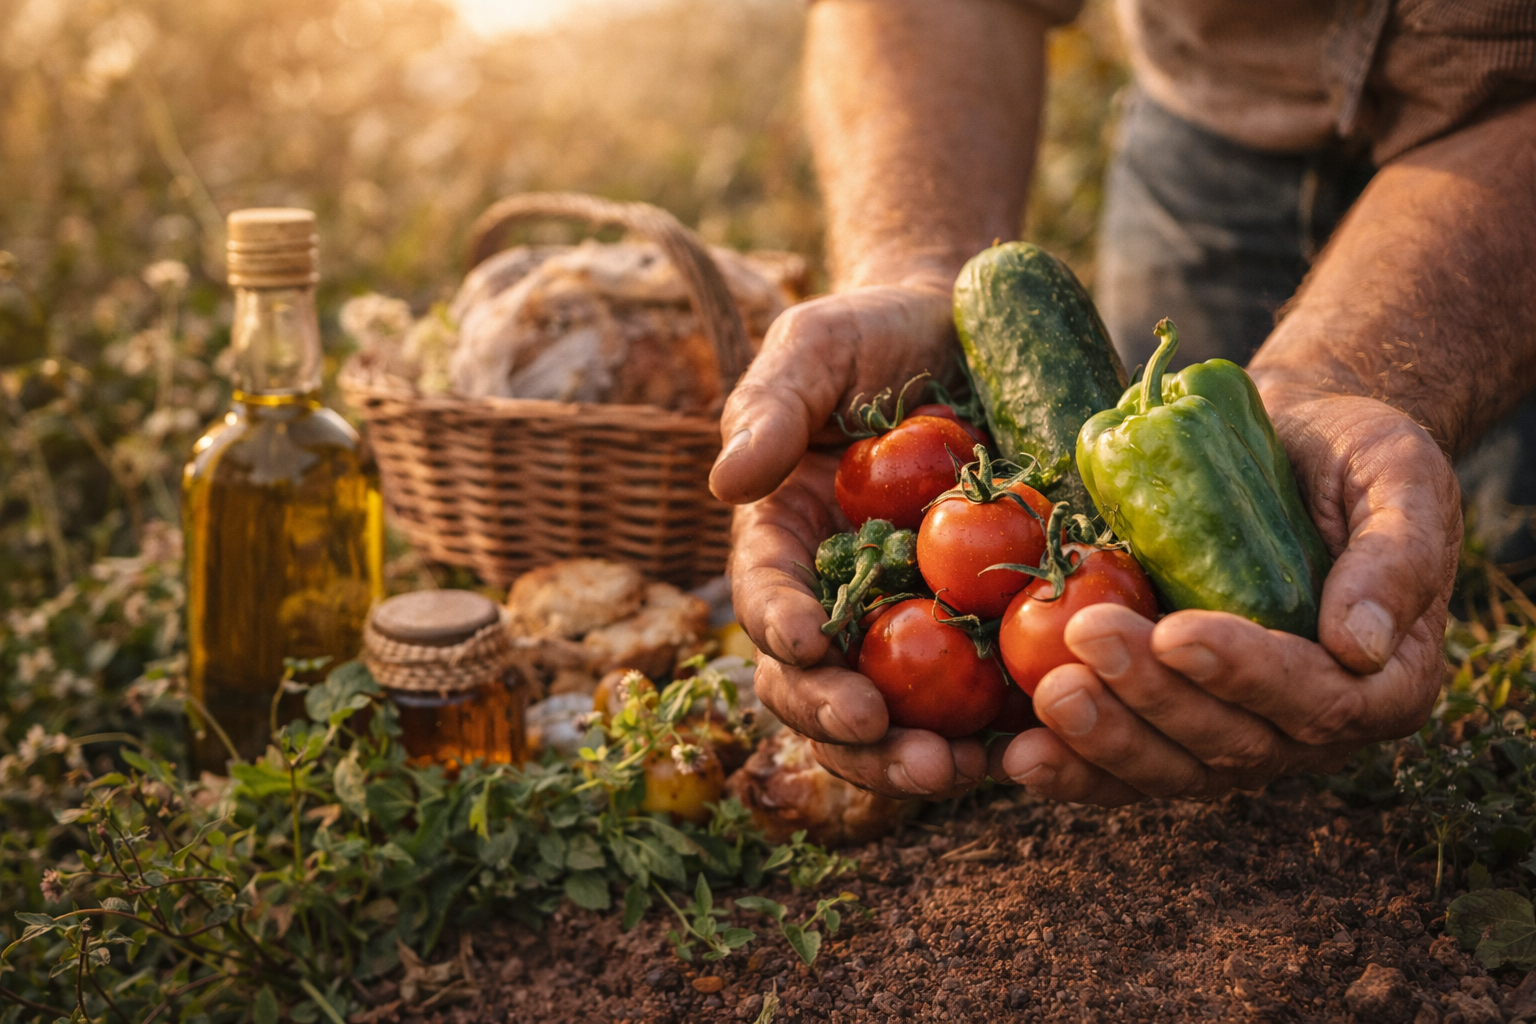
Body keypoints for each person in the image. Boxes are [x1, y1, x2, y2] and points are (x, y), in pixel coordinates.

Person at [710, 0, 1536, 806]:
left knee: (1460, 575)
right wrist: (916, 265)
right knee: (1204, 638)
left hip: (1509, 158)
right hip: (1206, 124)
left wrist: (1356, 379)